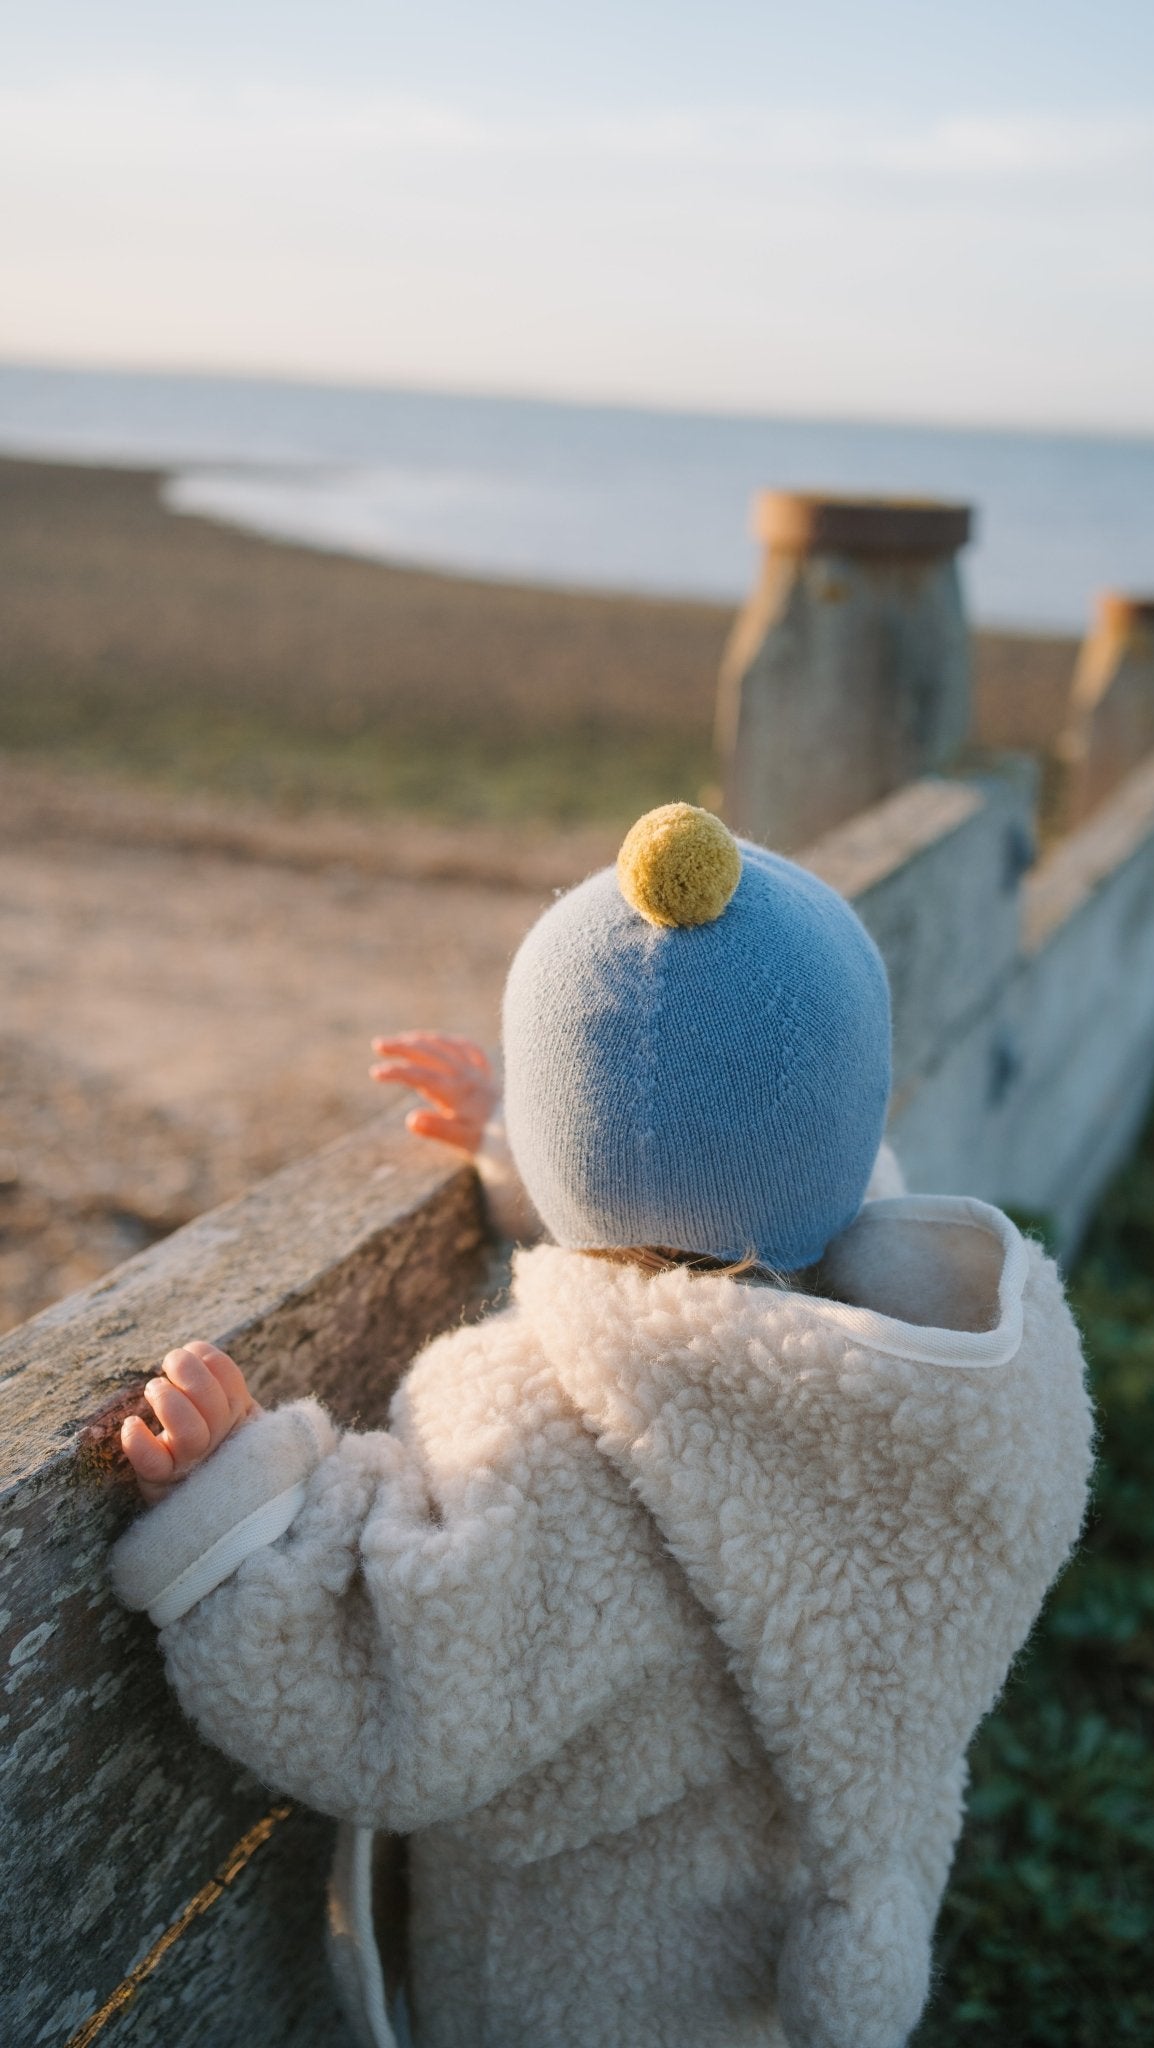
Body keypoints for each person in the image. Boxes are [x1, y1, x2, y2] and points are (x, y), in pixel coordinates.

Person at [111, 802, 1093, 2048]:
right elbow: (712, 1216)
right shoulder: (921, 1373)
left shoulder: (551, 1451)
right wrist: (524, 1144)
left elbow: (393, 1681)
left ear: (580, 1144)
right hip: (774, 1957)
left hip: (580, 1989)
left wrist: (240, 1500)